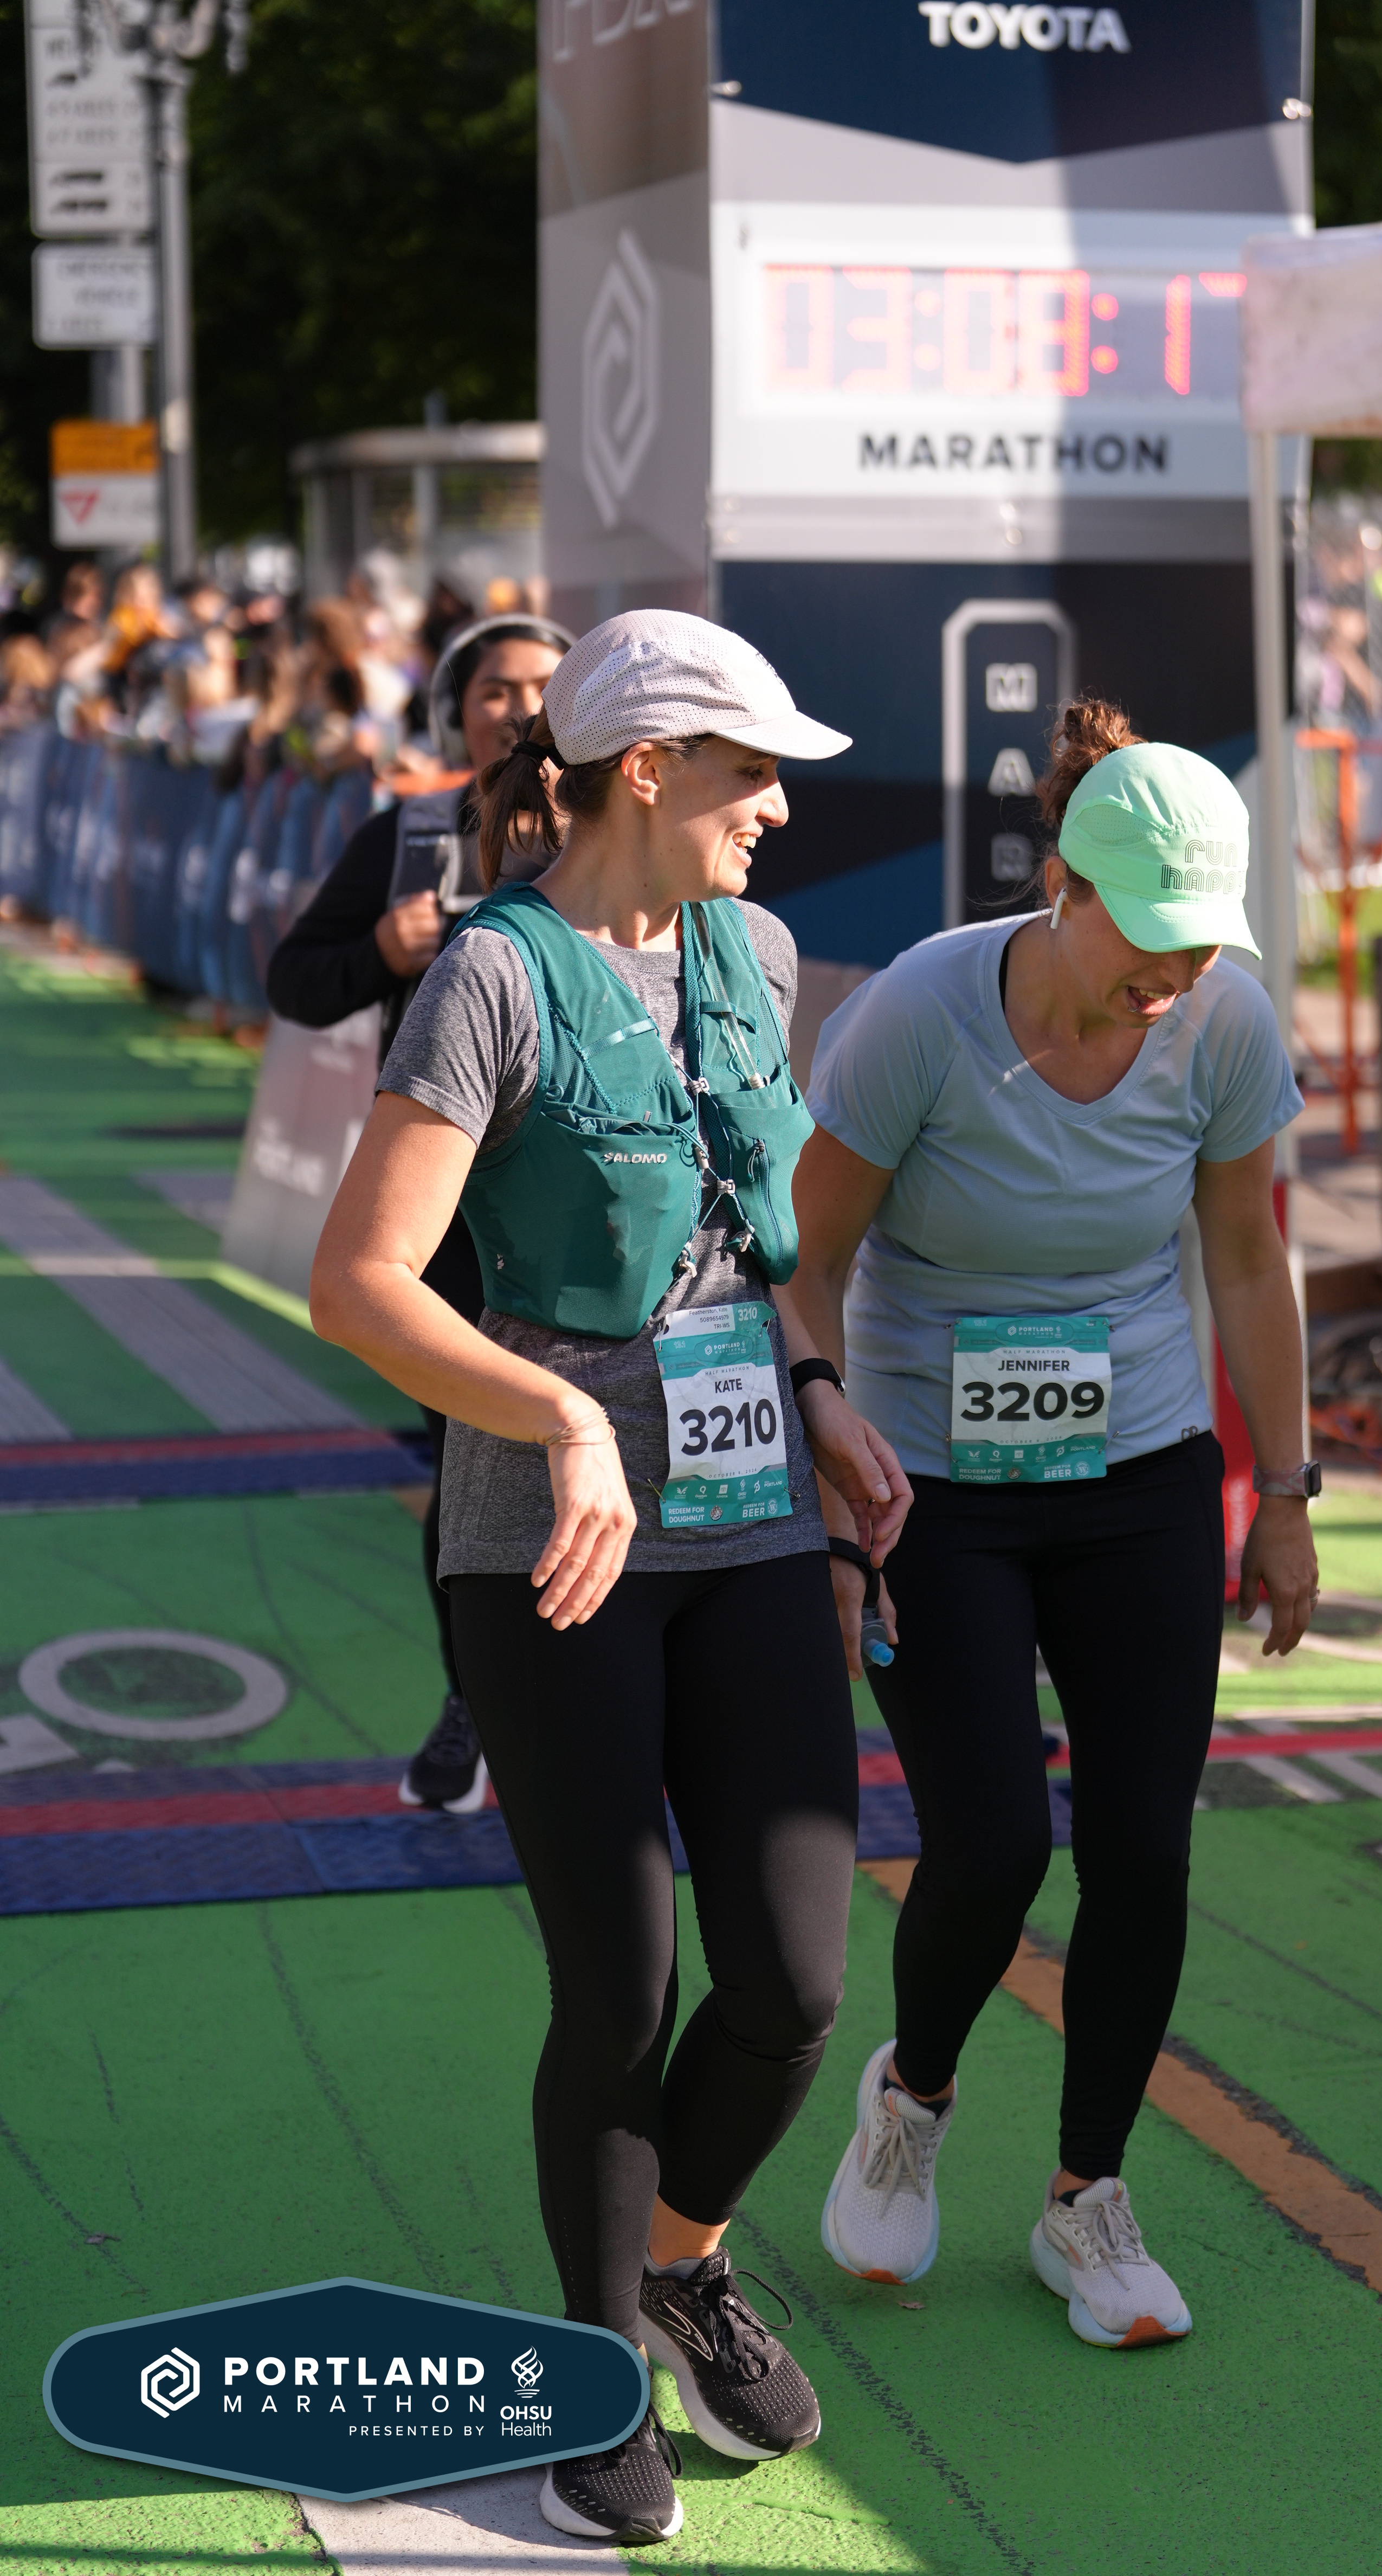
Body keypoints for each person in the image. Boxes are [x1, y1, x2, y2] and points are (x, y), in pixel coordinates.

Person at [309, 609, 910, 2545]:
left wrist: (817, 1388)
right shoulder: (492, 976)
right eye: (752, 770)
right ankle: (595, 2370)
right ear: (647, 769)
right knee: (621, 1988)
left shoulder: (761, 952)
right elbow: (361, 1286)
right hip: (548, 1549)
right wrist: (562, 1416)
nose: (780, 806)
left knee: (797, 1980)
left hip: (753, 1526)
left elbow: (751, 1240)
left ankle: (684, 2260)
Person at [791, 703, 1319, 2349]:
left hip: (1141, 1468)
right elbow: (806, 1261)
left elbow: (1248, 1256)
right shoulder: (919, 1012)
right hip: (927, 1481)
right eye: (1148, 933)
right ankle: (913, 2096)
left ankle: (1086, 2196)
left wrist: (1285, 1492)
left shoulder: (1222, 1023)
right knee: (996, 1841)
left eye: (1202, 939)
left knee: (1144, 1849)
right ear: (1065, 890)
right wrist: (830, 1479)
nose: (1176, 969)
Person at [269, 613, 572, 1810]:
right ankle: (477, 1701)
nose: (519, 707)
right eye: (495, 688)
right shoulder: (406, 835)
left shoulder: (618, 835)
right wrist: (381, 955)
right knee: (473, 1467)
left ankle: (605, 1711)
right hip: (446, 1222)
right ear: (456, 709)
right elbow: (294, 981)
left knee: (624, 1457)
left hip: (600, 1217)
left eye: (544, 686)